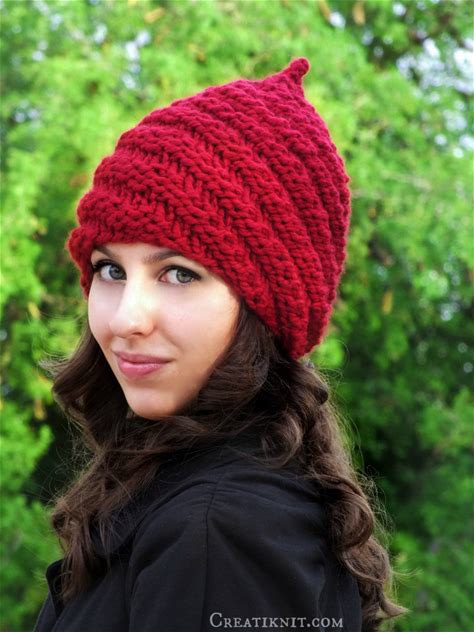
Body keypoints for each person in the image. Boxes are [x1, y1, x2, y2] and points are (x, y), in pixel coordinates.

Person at [33, 57, 407, 632]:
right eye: (110, 270)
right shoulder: (183, 487)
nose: (126, 318)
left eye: (179, 274)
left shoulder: (217, 532)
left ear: (265, 307)